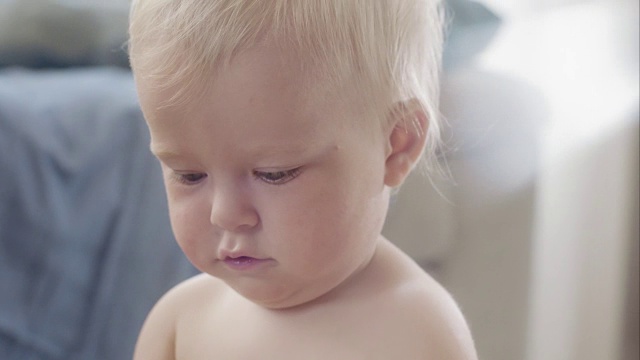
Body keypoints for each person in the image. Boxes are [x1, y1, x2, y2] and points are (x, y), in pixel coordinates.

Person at [128, 0, 477, 358]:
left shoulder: (415, 332)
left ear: (395, 146)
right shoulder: (181, 321)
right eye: (189, 175)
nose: (225, 214)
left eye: (274, 174)